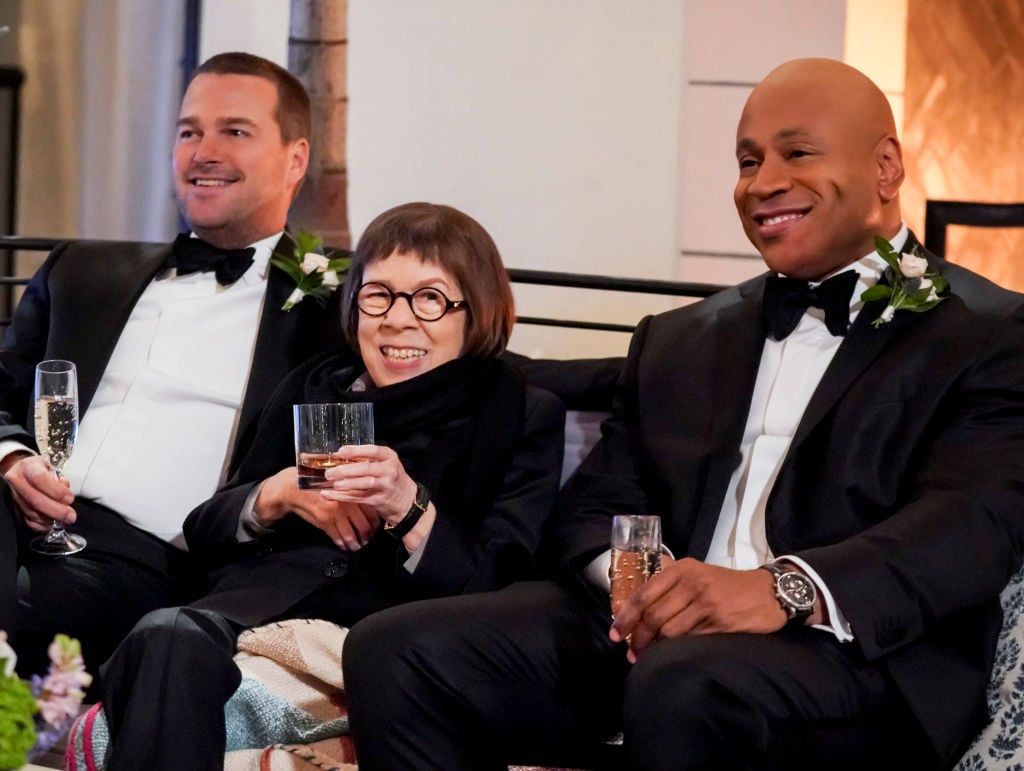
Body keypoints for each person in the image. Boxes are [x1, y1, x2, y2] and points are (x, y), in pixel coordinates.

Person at [340, 59, 1024, 771]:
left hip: (858, 661)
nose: (762, 183)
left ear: (886, 167)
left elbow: (971, 524)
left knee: (687, 682)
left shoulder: (987, 330)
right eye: (747, 160)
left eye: (797, 152)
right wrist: (646, 584)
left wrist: (779, 589)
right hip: (653, 642)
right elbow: (594, 505)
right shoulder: (682, 338)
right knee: (395, 649)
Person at [93, 201, 565, 770]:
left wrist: (407, 506)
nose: (397, 318)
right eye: (378, 294)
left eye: (430, 298)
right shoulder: (318, 383)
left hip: (386, 639)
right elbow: (205, 529)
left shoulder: (516, 410)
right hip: (250, 614)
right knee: (162, 633)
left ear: (476, 310)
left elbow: (499, 582)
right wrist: (275, 493)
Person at [0, 51, 340, 676]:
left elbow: (462, 359)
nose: (203, 151)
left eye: (234, 131)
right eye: (189, 132)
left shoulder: (336, 311)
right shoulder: (83, 270)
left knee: (28, 604)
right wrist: (12, 456)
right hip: (12, 511)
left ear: (295, 158)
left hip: (148, 561)